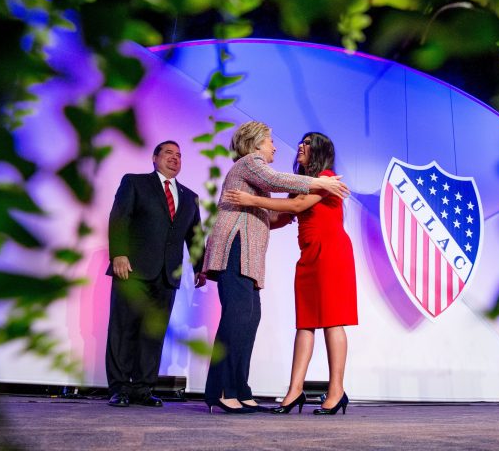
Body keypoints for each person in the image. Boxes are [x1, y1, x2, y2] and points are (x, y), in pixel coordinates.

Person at [202, 122, 350, 414]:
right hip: (238, 247)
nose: (276, 146)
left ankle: (239, 389)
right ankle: (222, 389)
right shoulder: (252, 163)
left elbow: (273, 215)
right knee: (239, 316)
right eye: (270, 141)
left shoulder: (321, 178)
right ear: (256, 143)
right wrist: (319, 184)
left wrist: (262, 205)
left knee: (249, 317)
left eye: (306, 143)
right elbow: (276, 183)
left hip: (270, 254)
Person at [105, 140, 204, 408]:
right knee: (124, 329)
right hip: (132, 271)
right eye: (169, 153)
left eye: (179, 155)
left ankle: (143, 388)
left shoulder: (190, 196)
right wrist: (118, 254)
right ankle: (120, 388)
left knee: (153, 334)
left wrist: (199, 267)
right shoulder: (135, 183)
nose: (175, 158)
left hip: (166, 277)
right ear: (154, 157)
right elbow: (119, 218)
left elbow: (195, 236)